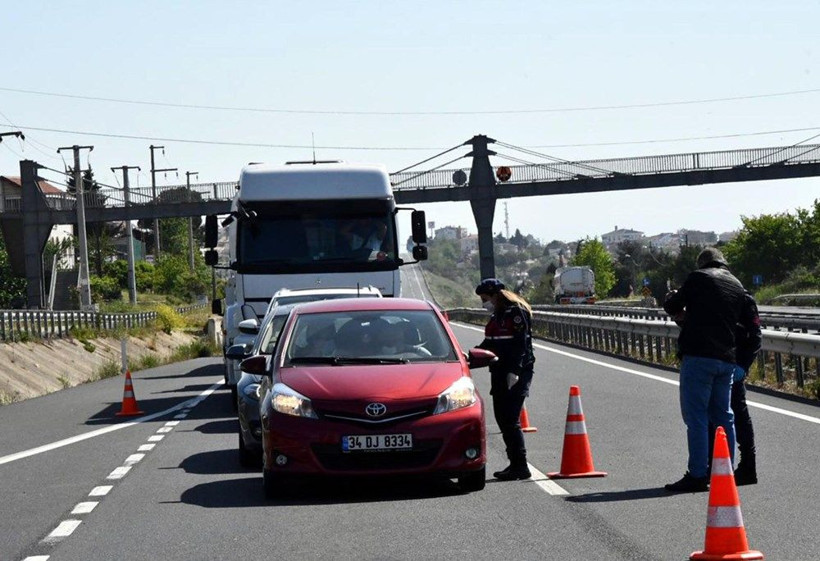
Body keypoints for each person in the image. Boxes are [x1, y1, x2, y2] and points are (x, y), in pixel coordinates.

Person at [663, 247, 752, 493]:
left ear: (702, 263)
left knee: (697, 418)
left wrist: (674, 302)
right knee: (724, 416)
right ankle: (724, 470)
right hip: (727, 359)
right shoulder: (736, 284)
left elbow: (672, 305)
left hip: (699, 357)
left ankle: (697, 474)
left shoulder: (698, 277)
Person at [473, 277, 535, 481]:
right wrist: (469, 357)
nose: (484, 303)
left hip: (516, 372)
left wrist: (515, 370)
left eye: (485, 298)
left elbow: (521, 344)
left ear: (495, 295)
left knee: (510, 418)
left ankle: (520, 465)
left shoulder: (516, 312)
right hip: (498, 371)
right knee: (502, 417)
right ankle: (515, 464)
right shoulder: (496, 316)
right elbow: (488, 344)